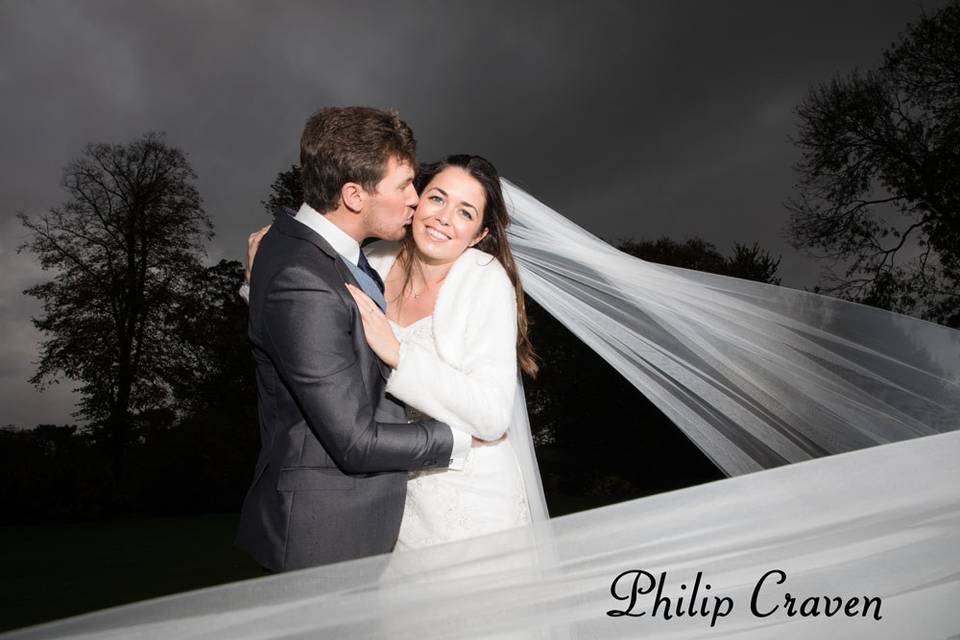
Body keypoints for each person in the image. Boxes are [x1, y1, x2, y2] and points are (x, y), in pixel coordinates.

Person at [235, 107, 492, 573]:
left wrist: (255, 291)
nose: (416, 199)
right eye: (404, 186)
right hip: (327, 535)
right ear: (354, 195)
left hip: (361, 521)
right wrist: (458, 441)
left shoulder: (326, 248)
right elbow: (354, 441)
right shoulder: (303, 273)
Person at [246, 154, 544, 550]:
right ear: (416, 198)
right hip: (387, 494)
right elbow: (312, 333)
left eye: (464, 212)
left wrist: (399, 353)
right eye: (437, 198)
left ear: (477, 234)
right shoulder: (372, 260)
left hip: (469, 500)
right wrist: (258, 282)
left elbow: (491, 417)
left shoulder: (485, 282)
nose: (442, 217)